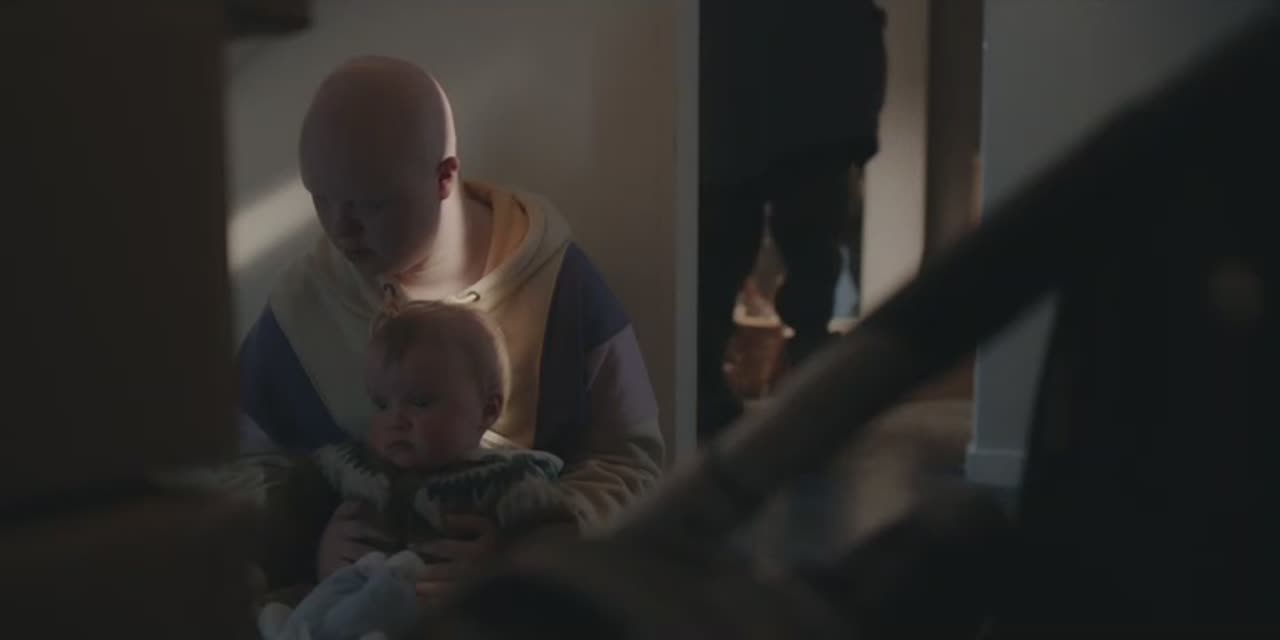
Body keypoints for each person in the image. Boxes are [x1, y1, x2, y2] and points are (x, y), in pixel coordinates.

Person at [237, 56, 663, 595]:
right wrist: (314, 542)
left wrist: (530, 548)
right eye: (321, 199)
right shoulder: (303, 309)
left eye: (371, 203)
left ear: (444, 177)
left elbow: (630, 460)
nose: (342, 229)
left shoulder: (563, 286)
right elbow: (236, 473)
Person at [256, 302, 577, 640]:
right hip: (344, 606)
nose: (396, 419)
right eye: (382, 404)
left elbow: (560, 551)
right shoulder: (347, 465)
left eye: (421, 402)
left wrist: (499, 567)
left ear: (487, 410)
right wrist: (321, 551)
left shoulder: (509, 480)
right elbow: (287, 523)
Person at [697, 0, 888, 439]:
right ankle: (806, 392)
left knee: (734, 250)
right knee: (799, 253)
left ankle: (725, 390)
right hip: (801, 85)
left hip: (753, 82)